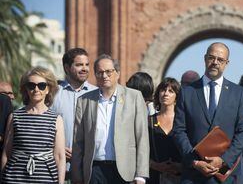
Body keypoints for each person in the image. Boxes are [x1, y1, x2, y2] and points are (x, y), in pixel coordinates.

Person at [173, 42, 243, 184]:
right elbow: (179, 130)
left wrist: (224, 160)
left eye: (220, 60)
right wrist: (194, 162)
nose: (215, 62)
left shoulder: (238, 93)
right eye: (211, 57)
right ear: (205, 58)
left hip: (226, 174)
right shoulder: (187, 92)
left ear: (227, 63)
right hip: (193, 174)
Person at [71, 54, 149, 184]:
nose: (104, 76)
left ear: (117, 73)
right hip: (94, 169)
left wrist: (141, 175)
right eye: (100, 72)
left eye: (108, 71)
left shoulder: (134, 97)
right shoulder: (84, 101)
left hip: (125, 171)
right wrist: (77, 175)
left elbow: (142, 137)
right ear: (95, 75)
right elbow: (78, 142)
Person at [1, 67, 66, 183]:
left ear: (48, 89)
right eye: (31, 85)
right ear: (26, 89)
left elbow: (60, 156)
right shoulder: (14, 117)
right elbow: (6, 152)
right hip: (14, 178)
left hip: (46, 178)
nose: (36, 89)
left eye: (41, 85)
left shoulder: (56, 119)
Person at [51, 47, 96, 179]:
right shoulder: (53, 94)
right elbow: (44, 125)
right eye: (79, 65)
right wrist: (56, 146)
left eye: (87, 64)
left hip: (87, 169)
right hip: (57, 168)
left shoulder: (97, 94)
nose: (84, 68)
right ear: (66, 68)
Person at [148, 77, 181, 184]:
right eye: (163, 90)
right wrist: (155, 165)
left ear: (177, 97)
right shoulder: (148, 120)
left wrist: (181, 166)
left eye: (171, 91)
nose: (166, 94)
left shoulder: (183, 122)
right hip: (153, 177)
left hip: (179, 177)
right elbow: (139, 150)